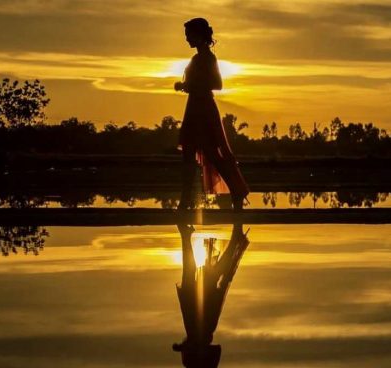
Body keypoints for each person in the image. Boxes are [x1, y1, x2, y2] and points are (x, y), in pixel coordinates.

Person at [174, 17, 250, 212]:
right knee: (188, 156)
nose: (187, 39)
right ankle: (185, 201)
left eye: (189, 35)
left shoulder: (208, 58)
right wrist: (186, 86)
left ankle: (237, 192)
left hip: (204, 109)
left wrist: (188, 85)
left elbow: (217, 84)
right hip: (194, 107)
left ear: (199, 36)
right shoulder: (197, 59)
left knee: (213, 155)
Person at [173, 222, 250, 367]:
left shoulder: (192, 363)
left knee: (196, 276)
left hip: (197, 322)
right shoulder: (200, 363)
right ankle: (234, 237)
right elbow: (212, 350)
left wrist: (185, 347)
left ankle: (186, 234)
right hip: (201, 321)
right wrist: (191, 346)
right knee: (202, 276)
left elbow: (204, 349)